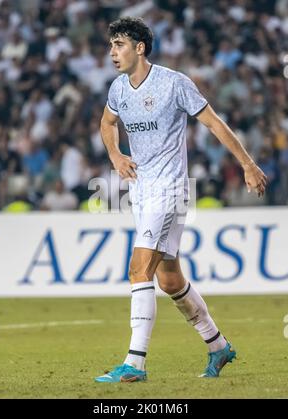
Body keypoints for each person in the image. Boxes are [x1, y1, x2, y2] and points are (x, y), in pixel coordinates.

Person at [95, 17, 267, 383]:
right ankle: (218, 345)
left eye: (119, 44)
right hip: (140, 191)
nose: (112, 52)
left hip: (169, 190)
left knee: (138, 269)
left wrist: (248, 164)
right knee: (170, 280)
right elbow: (106, 123)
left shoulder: (174, 83)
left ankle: (134, 364)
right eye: (111, 45)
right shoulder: (118, 89)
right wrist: (115, 155)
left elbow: (214, 123)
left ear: (139, 48)